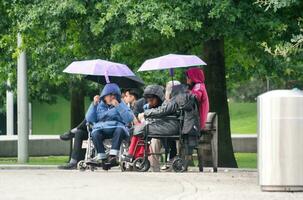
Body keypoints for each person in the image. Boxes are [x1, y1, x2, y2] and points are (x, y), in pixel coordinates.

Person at [86, 83, 134, 168]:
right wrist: (94, 105)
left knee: (119, 130)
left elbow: (129, 118)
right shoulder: (98, 104)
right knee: (95, 133)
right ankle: (102, 158)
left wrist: (118, 106)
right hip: (101, 128)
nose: (112, 97)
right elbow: (90, 119)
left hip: (117, 127)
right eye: (109, 95)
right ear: (104, 96)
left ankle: (113, 157)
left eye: (114, 95)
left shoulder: (121, 103)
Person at [123, 85, 164, 171]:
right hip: (147, 128)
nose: (150, 101)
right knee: (137, 132)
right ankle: (134, 156)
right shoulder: (144, 104)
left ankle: (136, 156)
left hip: (159, 129)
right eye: (148, 99)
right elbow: (137, 116)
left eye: (152, 99)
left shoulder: (163, 105)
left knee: (150, 138)